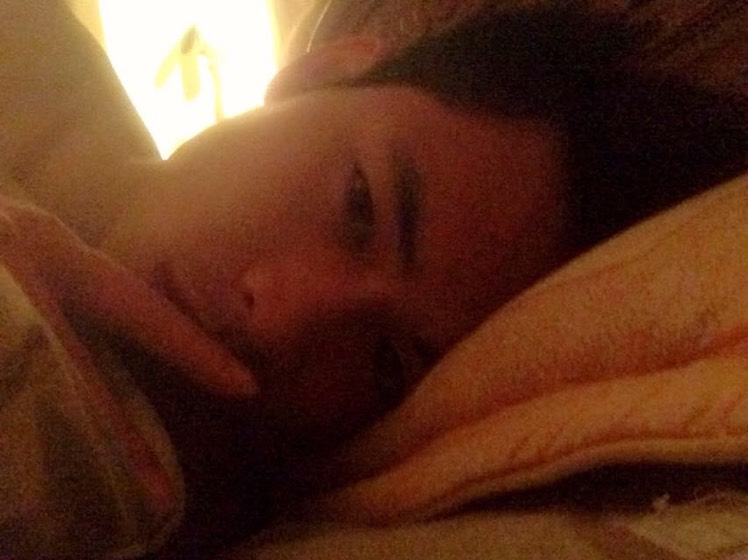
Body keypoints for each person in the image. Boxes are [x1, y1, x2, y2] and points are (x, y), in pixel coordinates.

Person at [1, 3, 745, 558]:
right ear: (322, 71)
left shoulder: (160, 494)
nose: (281, 322)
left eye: (386, 364)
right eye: (360, 206)